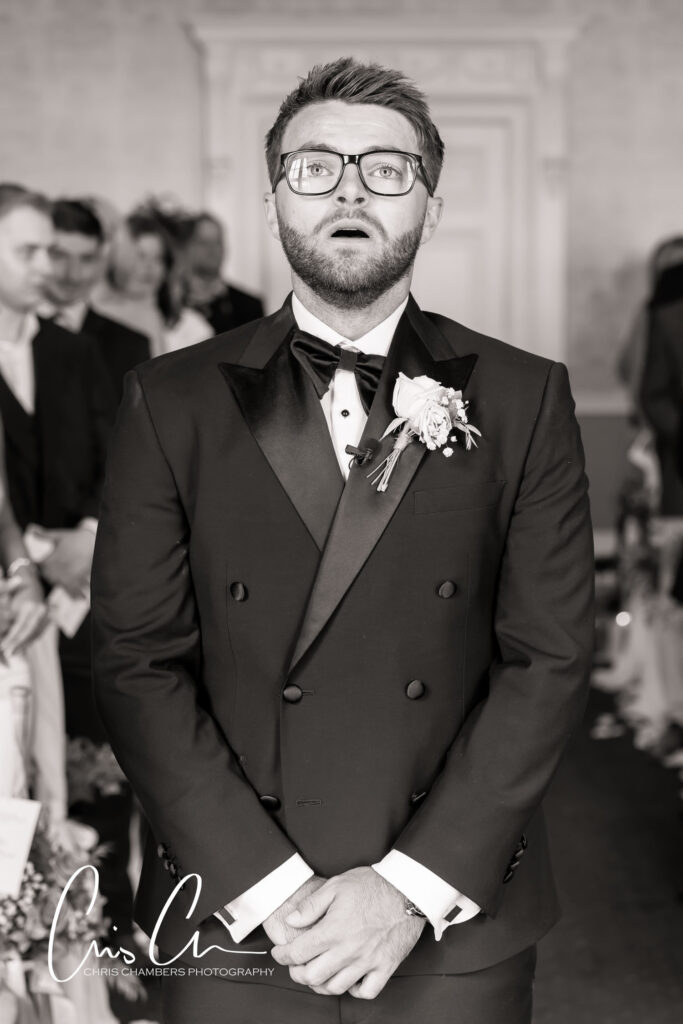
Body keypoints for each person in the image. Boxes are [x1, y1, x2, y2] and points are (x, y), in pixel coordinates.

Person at [92, 58, 594, 1024]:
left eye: (387, 168)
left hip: (453, 912)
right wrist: (270, 890)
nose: (351, 189)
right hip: (228, 913)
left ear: (430, 209)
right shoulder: (169, 400)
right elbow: (137, 661)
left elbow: (551, 657)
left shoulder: (526, 396)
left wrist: (409, 887)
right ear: (276, 199)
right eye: (315, 166)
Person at [41, 198, 151, 404]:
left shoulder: (131, 346)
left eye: (86, 259)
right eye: (59, 256)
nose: (73, 274)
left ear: (101, 260)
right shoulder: (12, 333)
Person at [93, 206, 212, 357]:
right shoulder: (97, 317)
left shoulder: (192, 328)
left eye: (157, 258)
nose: (149, 267)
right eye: (140, 256)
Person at [184, 212, 264, 333]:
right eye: (204, 243)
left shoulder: (249, 306)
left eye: (217, 243)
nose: (212, 250)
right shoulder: (173, 301)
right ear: (188, 248)